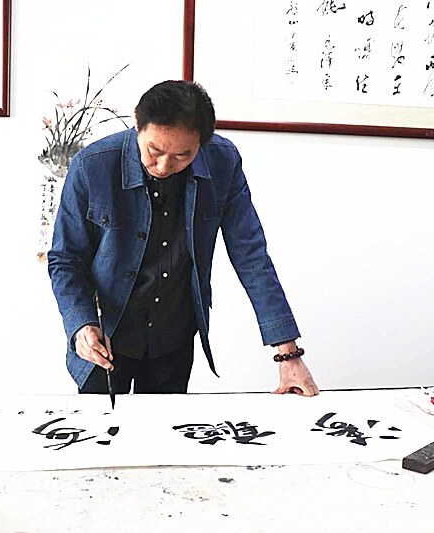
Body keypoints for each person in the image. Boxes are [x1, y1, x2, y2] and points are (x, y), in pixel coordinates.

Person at [47, 80, 319, 397]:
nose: (164, 166)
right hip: (105, 335)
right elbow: (66, 259)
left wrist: (288, 353)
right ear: (137, 122)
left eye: (182, 156)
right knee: (100, 427)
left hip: (172, 337)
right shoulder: (92, 165)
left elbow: (251, 255)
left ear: (202, 142)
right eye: (154, 151)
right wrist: (81, 324)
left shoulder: (223, 163)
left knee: (166, 428)